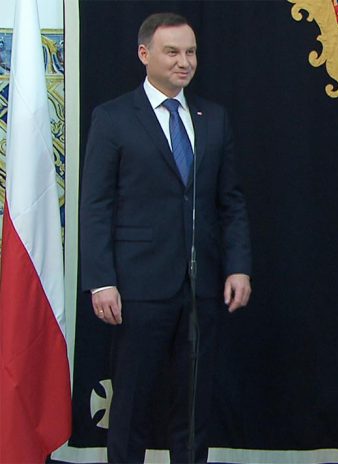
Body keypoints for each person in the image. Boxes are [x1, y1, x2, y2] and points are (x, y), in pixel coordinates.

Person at [80, 12, 252, 463]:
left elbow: (229, 200)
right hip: (137, 289)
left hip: (200, 288)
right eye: (172, 52)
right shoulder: (114, 118)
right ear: (144, 55)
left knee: (193, 408)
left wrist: (238, 266)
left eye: (190, 52)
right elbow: (96, 205)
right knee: (132, 406)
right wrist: (101, 280)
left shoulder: (212, 118)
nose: (184, 62)